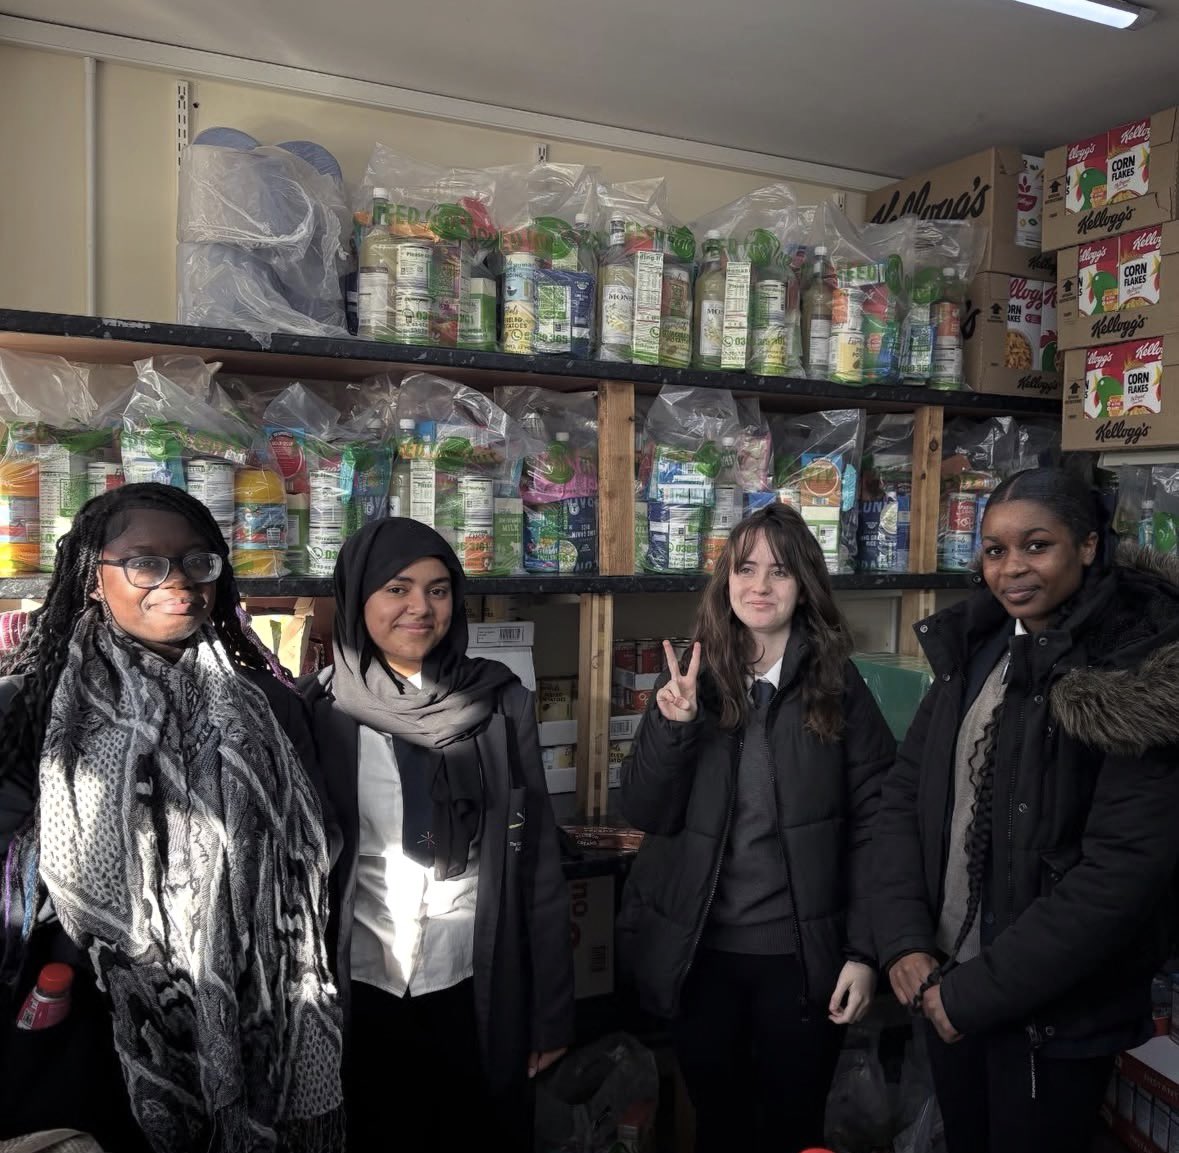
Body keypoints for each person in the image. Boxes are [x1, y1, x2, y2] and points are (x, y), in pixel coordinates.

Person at [0, 482, 344, 1153]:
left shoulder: (271, 706)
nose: (178, 580)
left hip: (256, 1016)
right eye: (145, 563)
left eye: (197, 561)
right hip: (91, 1012)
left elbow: (319, 844)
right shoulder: (32, 709)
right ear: (93, 577)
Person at [873, 467, 1179, 1153]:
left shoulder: (1133, 670)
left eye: (1036, 545)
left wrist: (974, 994)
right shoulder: (979, 645)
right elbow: (905, 797)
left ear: (1088, 545)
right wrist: (903, 940)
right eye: (994, 550)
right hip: (945, 986)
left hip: (1050, 1021)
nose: (1011, 567)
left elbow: (1121, 874)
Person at [616, 503, 896, 1153]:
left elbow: (877, 829)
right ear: (726, 581)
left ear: (804, 585)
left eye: (780, 570)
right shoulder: (688, 677)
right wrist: (673, 727)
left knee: (794, 1129)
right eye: (745, 569)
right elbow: (645, 812)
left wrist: (863, 953)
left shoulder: (838, 684)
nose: (760, 585)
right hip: (701, 958)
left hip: (801, 960)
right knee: (721, 1126)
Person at [303, 517, 575, 1149]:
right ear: (357, 597)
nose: (420, 608)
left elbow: (537, 863)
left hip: (471, 981)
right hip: (360, 986)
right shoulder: (318, 712)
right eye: (397, 589)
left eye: (438, 589)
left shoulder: (500, 703)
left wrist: (550, 1014)